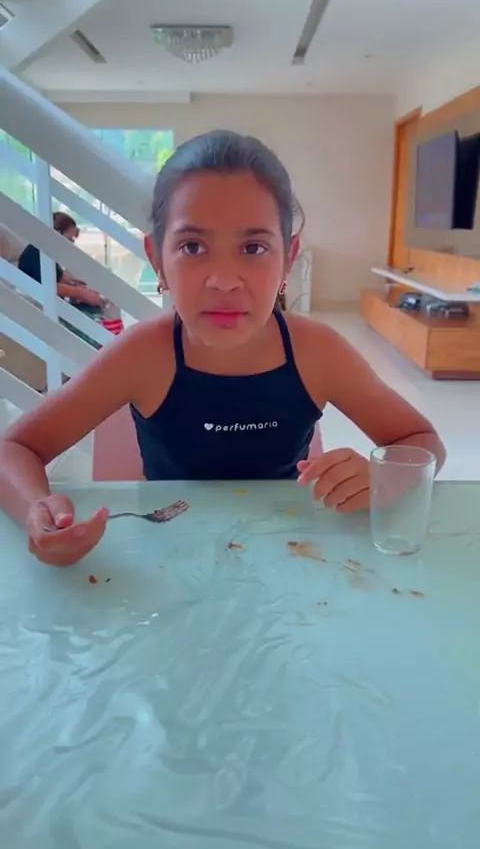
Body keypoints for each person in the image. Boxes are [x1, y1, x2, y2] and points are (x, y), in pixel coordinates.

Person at [0, 130, 446, 567]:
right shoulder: (142, 355)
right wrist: (35, 511)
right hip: (170, 561)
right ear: (157, 259)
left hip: (286, 555)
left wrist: (383, 480)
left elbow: (421, 441)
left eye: (253, 247)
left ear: (288, 258)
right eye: (193, 247)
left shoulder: (318, 352)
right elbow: (15, 448)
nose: (225, 281)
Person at [18, 212, 106, 348]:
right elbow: (51, 286)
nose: (71, 243)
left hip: (54, 305)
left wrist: (79, 286)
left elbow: (60, 278)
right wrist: (80, 293)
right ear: (57, 234)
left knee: (96, 311)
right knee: (94, 322)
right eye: (69, 239)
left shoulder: (46, 252)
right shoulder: (36, 253)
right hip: (45, 309)